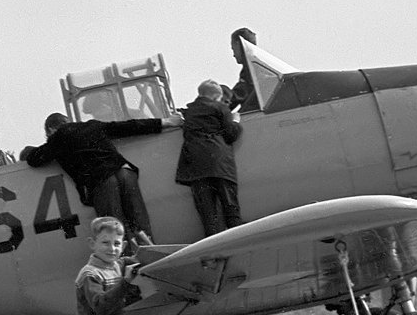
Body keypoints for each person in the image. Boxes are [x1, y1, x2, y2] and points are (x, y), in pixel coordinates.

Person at [21, 110, 181, 245]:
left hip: (101, 180)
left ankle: (127, 270)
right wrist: (167, 121)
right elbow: (129, 127)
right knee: (140, 223)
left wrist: (45, 145)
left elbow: (33, 159)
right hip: (124, 172)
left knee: (114, 232)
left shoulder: (57, 138)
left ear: (50, 130)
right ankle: (150, 252)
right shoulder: (92, 125)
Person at [175, 80, 244, 236]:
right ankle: (237, 241)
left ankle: (214, 255)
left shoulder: (189, 112)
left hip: (197, 168)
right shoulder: (221, 108)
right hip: (221, 165)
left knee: (209, 217)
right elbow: (231, 134)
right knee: (231, 210)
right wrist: (235, 121)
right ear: (216, 97)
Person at [227, 28, 262, 114]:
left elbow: (239, 95)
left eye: (233, 49)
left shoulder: (251, 70)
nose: (233, 55)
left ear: (239, 44)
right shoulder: (261, 66)